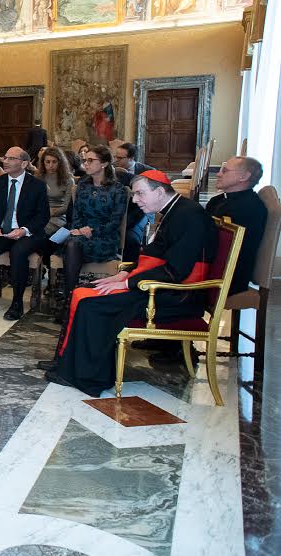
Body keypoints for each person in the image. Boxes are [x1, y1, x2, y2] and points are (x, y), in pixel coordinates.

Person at [42, 171, 216, 394]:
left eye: (140, 194)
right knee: (83, 291)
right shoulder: (175, 210)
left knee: (91, 304)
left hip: (175, 294)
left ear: (159, 191)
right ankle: (67, 364)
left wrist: (128, 282)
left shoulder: (189, 216)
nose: (135, 200)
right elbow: (156, 256)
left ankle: (89, 377)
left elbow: (176, 270)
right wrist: (124, 274)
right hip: (159, 286)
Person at [0, 147, 50, 319]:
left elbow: (43, 216)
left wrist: (24, 230)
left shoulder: (37, 185)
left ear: (24, 163)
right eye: (5, 158)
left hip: (27, 233)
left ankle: (17, 302)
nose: (5, 161)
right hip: (2, 232)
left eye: (11, 159)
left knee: (18, 252)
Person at [53, 145, 127, 318]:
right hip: (80, 234)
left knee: (72, 245)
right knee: (70, 243)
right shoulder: (83, 185)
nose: (85, 164)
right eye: (85, 160)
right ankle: (71, 299)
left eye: (90, 160)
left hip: (104, 237)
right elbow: (76, 214)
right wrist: (80, 229)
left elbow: (115, 221)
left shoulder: (118, 189)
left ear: (104, 163)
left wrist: (92, 231)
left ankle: (68, 302)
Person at [205, 156, 268, 294]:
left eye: (225, 171)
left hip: (226, 278)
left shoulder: (249, 208)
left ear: (244, 177)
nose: (218, 174)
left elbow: (217, 248)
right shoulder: (219, 200)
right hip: (210, 266)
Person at [35, 147, 74, 236]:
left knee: (40, 231)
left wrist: (49, 212)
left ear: (60, 163)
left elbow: (66, 208)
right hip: (39, 214)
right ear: (43, 163)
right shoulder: (39, 178)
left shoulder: (68, 180)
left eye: (54, 162)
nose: (51, 165)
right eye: (48, 162)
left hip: (58, 217)